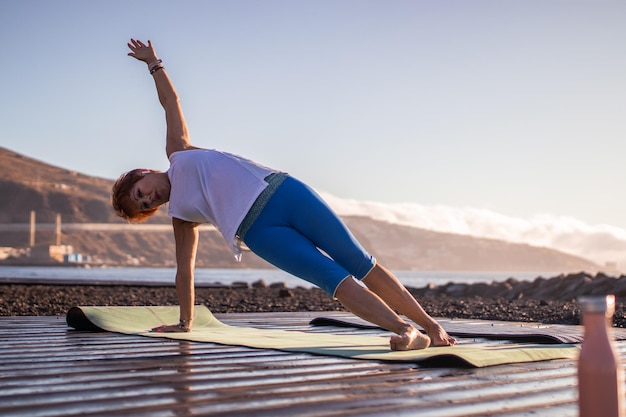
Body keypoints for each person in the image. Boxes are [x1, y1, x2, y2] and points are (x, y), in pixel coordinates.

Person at [112, 38, 456, 351]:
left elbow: (170, 101)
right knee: (331, 279)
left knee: (359, 261)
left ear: (143, 174)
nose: (149, 199)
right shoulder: (182, 216)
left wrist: (153, 64)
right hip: (261, 233)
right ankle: (405, 331)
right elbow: (184, 269)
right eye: (144, 205)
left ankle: (432, 327)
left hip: (284, 193)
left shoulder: (178, 151)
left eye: (141, 193)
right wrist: (186, 322)